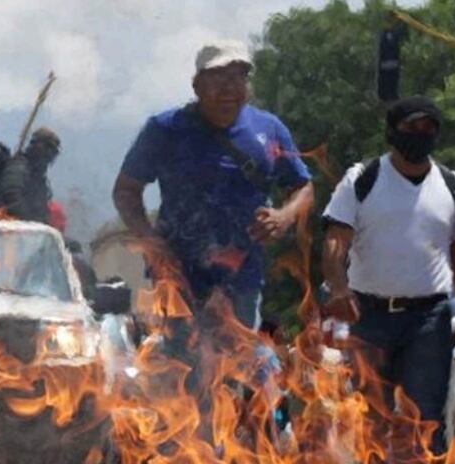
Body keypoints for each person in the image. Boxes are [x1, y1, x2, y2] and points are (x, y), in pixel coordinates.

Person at [112, 40, 313, 331]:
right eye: (218, 77)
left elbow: (303, 187)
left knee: (238, 367)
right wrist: (148, 239)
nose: (229, 87)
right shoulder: (165, 129)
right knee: (180, 368)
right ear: (197, 85)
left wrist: (284, 216)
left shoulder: (269, 130)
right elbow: (126, 190)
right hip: (176, 276)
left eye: (238, 77)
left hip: (241, 277)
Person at [321, 96, 455, 460]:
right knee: (368, 413)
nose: (420, 134)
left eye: (429, 128)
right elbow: (334, 240)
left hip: (429, 317)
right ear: (392, 131)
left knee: (423, 416)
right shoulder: (363, 179)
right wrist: (339, 289)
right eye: (412, 127)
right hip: (368, 314)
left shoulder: (453, 185)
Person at [0, 128, 61, 223]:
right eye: (47, 147)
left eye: (53, 150)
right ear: (35, 145)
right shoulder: (18, 166)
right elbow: (12, 196)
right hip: (9, 228)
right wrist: (32, 222)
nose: (49, 154)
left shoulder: (38, 176)